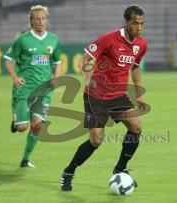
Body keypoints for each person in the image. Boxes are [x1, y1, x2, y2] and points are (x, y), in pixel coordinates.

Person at [60, 5, 148, 191]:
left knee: (136, 127)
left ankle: (120, 168)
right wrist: (87, 79)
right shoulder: (109, 39)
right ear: (127, 23)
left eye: (141, 23)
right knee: (96, 140)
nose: (138, 27)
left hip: (118, 96)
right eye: (135, 23)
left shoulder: (141, 45)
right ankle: (69, 171)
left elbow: (135, 67)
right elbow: (85, 58)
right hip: (96, 96)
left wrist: (138, 94)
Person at [4, 5, 61, 168]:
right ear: (31, 22)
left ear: (47, 21)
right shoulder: (22, 40)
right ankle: (17, 118)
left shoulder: (54, 40)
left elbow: (57, 62)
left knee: (37, 127)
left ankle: (25, 159)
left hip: (44, 90)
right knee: (22, 127)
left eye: (43, 18)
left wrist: (56, 79)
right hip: (25, 88)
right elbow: (9, 59)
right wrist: (15, 77)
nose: (41, 21)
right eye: (37, 18)